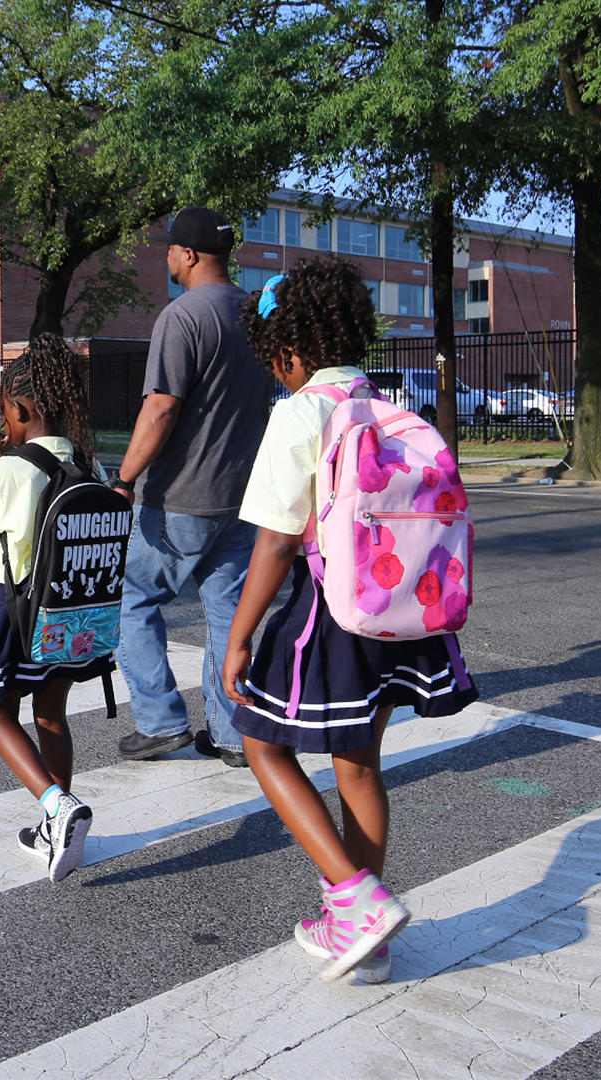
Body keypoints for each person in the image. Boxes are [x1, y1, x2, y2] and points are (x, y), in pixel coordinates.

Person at [221, 258, 480, 983]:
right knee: (358, 762)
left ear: (292, 350)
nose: (276, 372)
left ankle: (355, 898)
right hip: (402, 610)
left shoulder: (301, 411)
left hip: (328, 611)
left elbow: (275, 539)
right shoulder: (388, 406)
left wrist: (239, 638)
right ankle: (361, 937)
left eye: (274, 359)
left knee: (262, 745)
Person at [111, 207, 274, 768]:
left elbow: (160, 409)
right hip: (244, 495)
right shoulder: (256, 315)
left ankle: (159, 723)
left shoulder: (182, 317)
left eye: (170, 249)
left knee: (133, 601)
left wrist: (125, 479)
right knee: (228, 613)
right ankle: (232, 735)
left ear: (190, 254)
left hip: (182, 497)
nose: (165, 257)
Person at [0, 334, 114, 884]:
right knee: (51, 714)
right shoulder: (92, 468)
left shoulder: (7, 470)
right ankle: (56, 824)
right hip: (71, 615)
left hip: (16, 610)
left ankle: (56, 806)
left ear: (18, 411)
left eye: (4, 410)